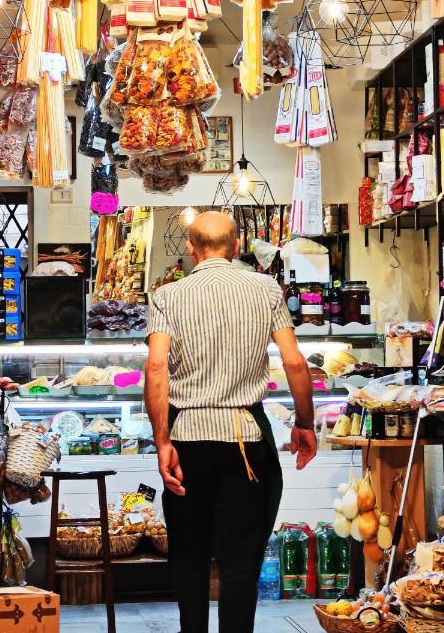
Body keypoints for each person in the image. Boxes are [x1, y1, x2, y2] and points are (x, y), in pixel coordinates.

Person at [145, 210, 316, 633]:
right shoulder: (266, 289)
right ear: (237, 246)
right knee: (241, 559)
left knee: (189, 554)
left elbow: (155, 369)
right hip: (245, 440)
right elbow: (294, 361)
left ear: (190, 249)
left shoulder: (168, 296)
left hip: (187, 441)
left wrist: (162, 441)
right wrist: (305, 422)